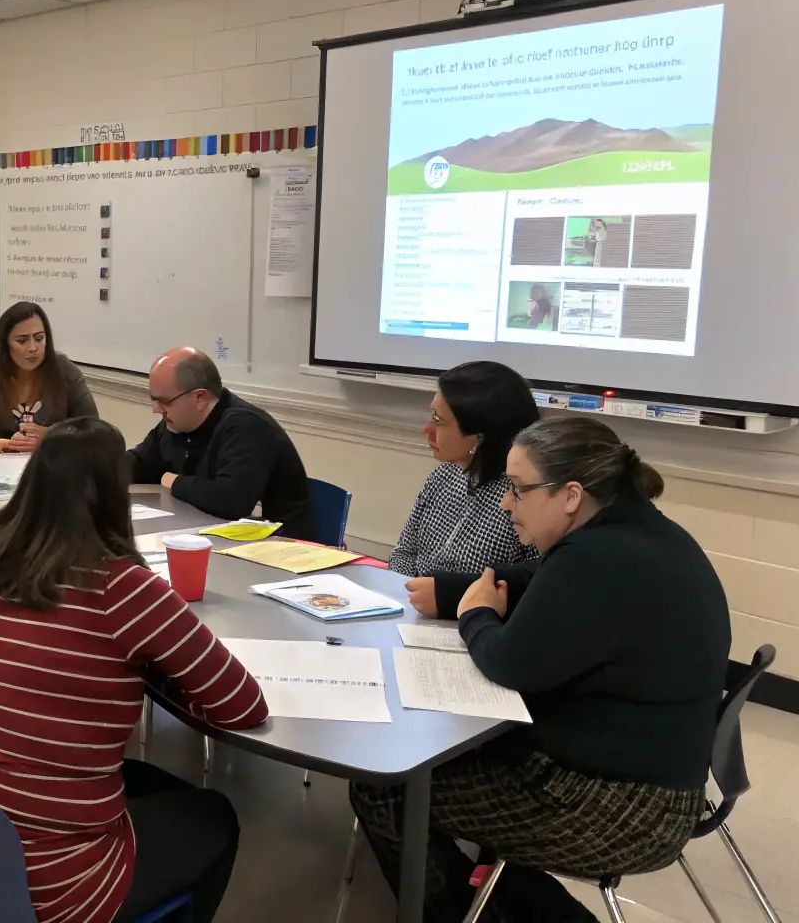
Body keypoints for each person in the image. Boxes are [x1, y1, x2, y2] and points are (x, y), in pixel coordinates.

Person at [352, 417, 731, 923]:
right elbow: (537, 580)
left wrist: (474, 614)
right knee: (454, 763)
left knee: (386, 791)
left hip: (618, 807)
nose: (507, 502)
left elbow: (509, 662)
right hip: (648, 777)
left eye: (518, 489)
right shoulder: (632, 532)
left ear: (571, 495)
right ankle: (500, 902)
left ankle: (458, 914)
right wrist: (452, 590)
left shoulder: (597, 558)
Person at [0, 417, 268, 923]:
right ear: (116, 495)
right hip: (51, 885)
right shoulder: (125, 590)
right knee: (212, 815)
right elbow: (242, 704)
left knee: (145, 781)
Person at [395, 361, 539, 615]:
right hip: (412, 615)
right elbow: (404, 553)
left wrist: (448, 598)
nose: (426, 430)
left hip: (475, 627)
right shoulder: (442, 477)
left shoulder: (524, 497)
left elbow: (535, 589)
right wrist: (403, 593)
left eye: (438, 421)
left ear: (479, 437)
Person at [128, 348, 316, 540]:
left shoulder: (246, 426)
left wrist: (174, 481)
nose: (156, 409)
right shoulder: (177, 424)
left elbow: (230, 501)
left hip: (282, 544)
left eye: (164, 401)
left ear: (199, 398)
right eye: (153, 399)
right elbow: (140, 463)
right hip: (213, 531)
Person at [0, 301, 97, 453]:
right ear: (5, 344)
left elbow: (94, 430)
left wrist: (50, 437)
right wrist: (4, 444)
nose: (33, 348)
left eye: (39, 338)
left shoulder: (65, 371)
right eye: (22, 341)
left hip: (54, 468)